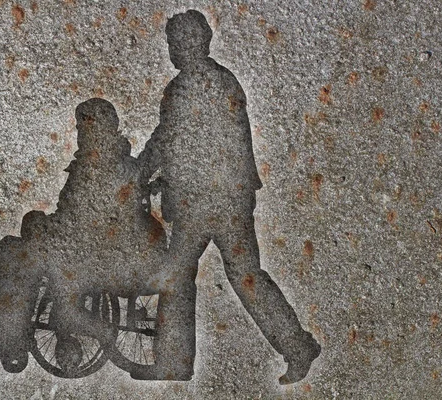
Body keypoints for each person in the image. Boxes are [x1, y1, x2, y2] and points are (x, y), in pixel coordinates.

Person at [136, 10, 321, 384]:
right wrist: (164, 179)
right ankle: (297, 346)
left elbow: (166, 141)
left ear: (192, 43)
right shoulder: (223, 80)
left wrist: (136, 175)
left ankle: (174, 361)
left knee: (178, 275)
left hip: (205, 203)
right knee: (245, 275)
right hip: (228, 199)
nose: (173, 50)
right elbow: (200, 145)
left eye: (176, 43)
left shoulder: (185, 87)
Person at [0, 98, 167, 369]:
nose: (81, 134)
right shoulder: (97, 165)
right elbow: (75, 219)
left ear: (106, 130)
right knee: (18, 247)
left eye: (87, 128)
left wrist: (40, 226)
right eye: (81, 127)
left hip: (104, 257)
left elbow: (84, 223)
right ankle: (8, 328)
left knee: (20, 252)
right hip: (92, 249)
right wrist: (41, 224)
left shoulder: (108, 168)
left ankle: (33, 328)